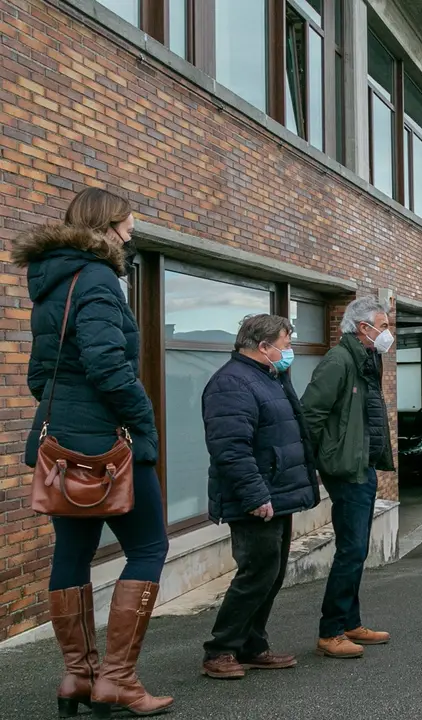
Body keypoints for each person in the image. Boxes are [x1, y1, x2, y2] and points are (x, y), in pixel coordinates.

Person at [14, 187, 172, 716]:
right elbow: (109, 366)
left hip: (61, 442)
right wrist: (142, 424)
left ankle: (78, 678)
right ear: (107, 225)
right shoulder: (100, 278)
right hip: (105, 441)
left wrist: (72, 414)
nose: (132, 232)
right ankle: (118, 680)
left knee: (72, 553)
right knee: (149, 547)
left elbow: (40, 375)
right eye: (128, 223)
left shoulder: (50, 281)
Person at [200, 314, 320, 678]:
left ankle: (252, 645)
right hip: (256, 499)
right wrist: (255, 495)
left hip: (277, 494)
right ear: (263, 347)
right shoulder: (232, 384)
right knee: (256, 574)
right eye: (285, 346)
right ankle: (220, 650)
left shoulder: (269, 377)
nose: (290, 352)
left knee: (272, 573)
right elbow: (231, 448)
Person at [301, 297, 397, 659]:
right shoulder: (338, 362)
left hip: (363, 466)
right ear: (363, 328)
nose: (387, 333)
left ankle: (350, 622)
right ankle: (330, 631)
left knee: (356, 549)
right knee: (351, 550)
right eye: (383, 326)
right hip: (346, 468)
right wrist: (319, 461)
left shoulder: (368, 359)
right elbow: (311, 414)